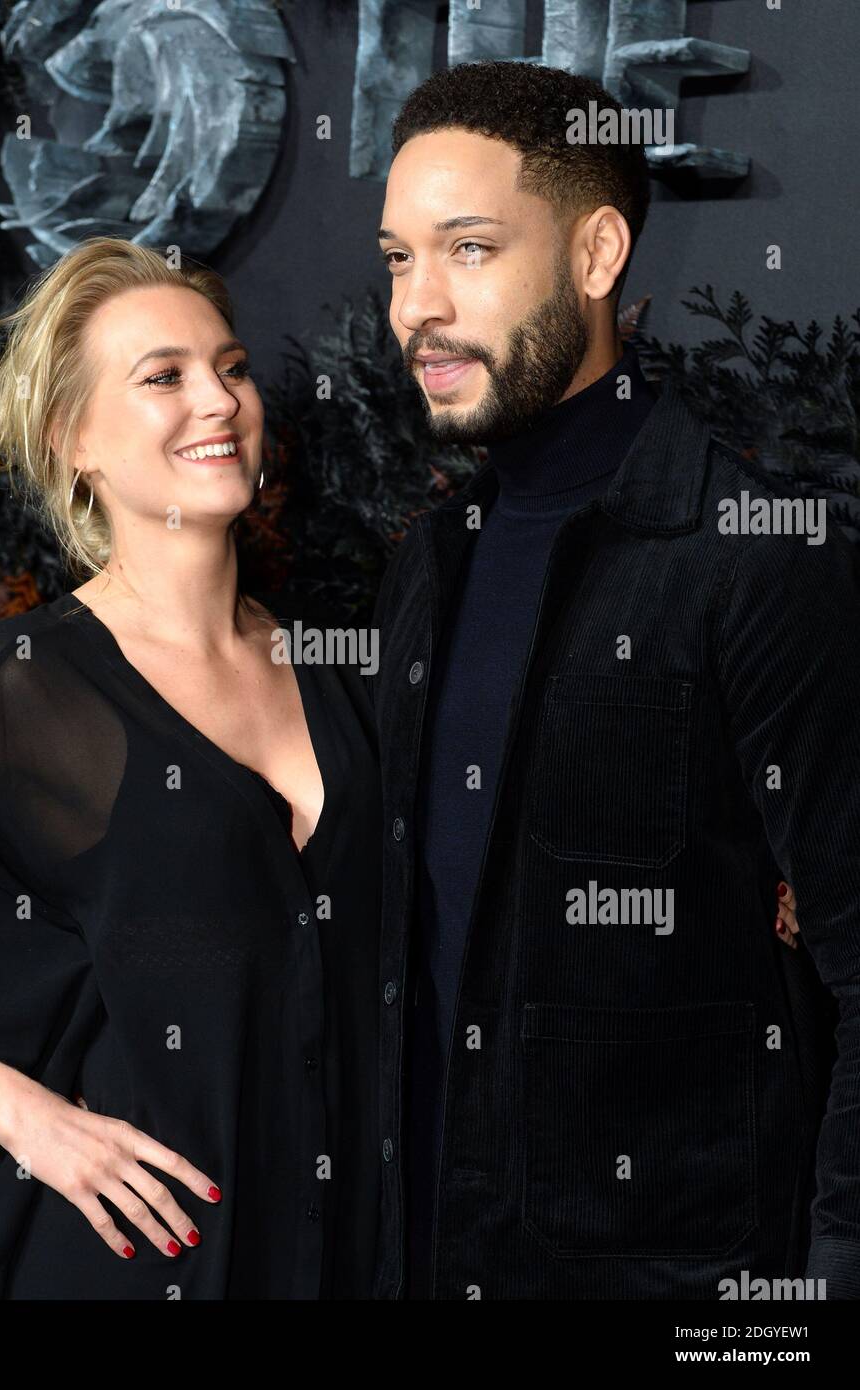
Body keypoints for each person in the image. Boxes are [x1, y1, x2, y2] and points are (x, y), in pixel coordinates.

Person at [0, 239, 382, 1299]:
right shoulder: (27, 692)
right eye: (163, 377)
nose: (219, 399)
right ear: (73, 440)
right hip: (132, 1265)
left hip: (339, 1255)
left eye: (232, 366)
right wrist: (28, 1116)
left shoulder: (337, 670)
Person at [368, 60, 854, 1300]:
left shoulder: (748, 557)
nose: (418, 306)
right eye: (396, 261)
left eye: (467, 250)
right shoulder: (429, 563)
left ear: (595, 255)